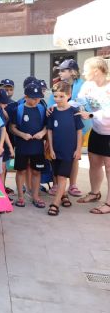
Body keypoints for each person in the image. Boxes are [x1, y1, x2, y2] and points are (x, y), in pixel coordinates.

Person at [46, 59, 88, 198]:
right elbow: (51, 103)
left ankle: (73, 184)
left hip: (77, 126)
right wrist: (49, 109)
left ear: (72, 72)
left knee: (74, 157)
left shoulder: (82, 85)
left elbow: (85, 103)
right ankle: (57, 184)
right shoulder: (57, 84)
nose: (60, 72)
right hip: (58, 126)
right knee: (56, 156)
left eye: (63, 70)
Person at [74, 57, 110, 212]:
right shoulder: (87, 85)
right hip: (97, 131)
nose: (82, 73)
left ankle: (109, 203)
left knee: (109, 167)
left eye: (85, 69)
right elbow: (79, 102)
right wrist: (58, 105)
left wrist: (90, 115)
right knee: (94, 163)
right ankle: (95, 193)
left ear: (96, 71)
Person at [46, 81, 83, 216]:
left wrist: (78, 149)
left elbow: (79, 131)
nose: (58, 99)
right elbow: (49, 131)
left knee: (62, 177)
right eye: (55, 96)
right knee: (56, 175)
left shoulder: (74, 112)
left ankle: (55, 203)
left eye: (61, 96)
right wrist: (51, 149)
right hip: (56, 150)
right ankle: (63, 195)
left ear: (69, 95)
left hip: (69, 151)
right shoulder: (53, 112)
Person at [9, 83, 47, 209]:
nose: (37, 100)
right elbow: (12, 127)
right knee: (21, 171)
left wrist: (42, 133)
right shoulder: (18, 110)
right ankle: (20, 196)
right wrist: (22, 134)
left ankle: (35, 196)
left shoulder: (41, 109)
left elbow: (47, 127)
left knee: (37, 171)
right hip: (22, 146)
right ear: (26, 96)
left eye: (38, 98)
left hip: (37, 147)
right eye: (34, 98)